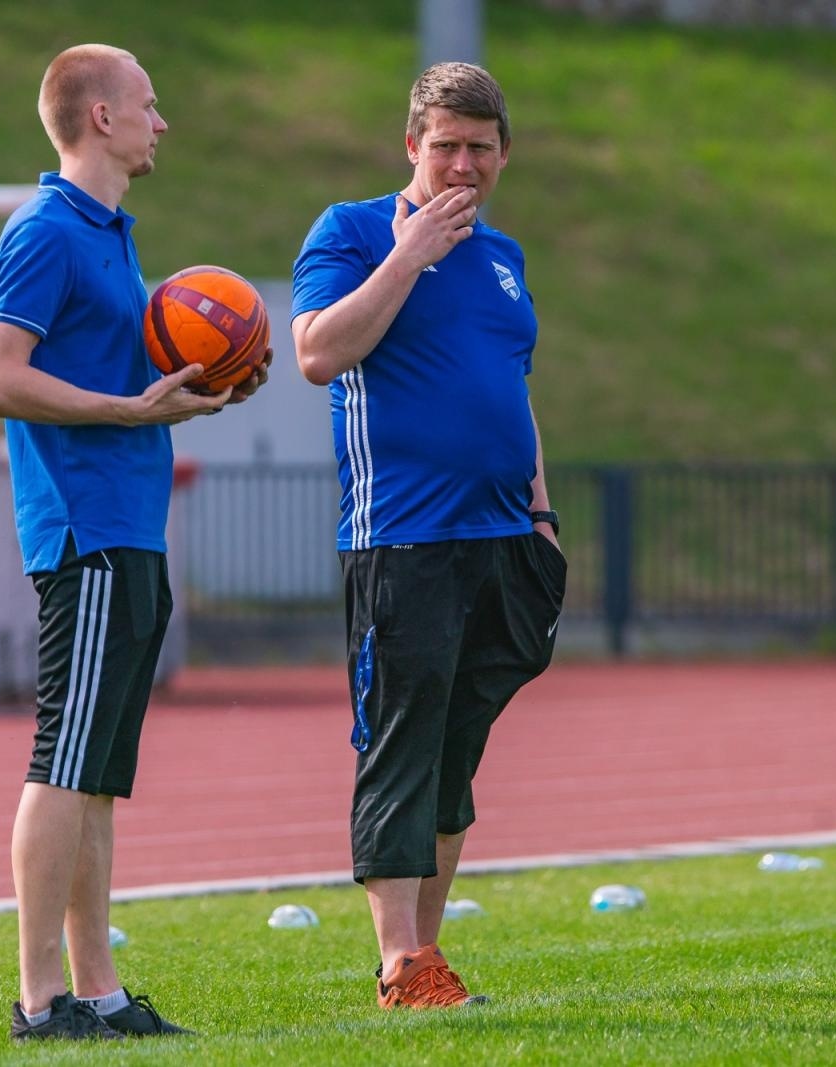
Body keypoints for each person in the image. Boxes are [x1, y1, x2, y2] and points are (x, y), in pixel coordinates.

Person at [0, 43, 268, 1042]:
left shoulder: (111, 236)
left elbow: (134, 382)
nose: (161, 120)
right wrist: (127, 412)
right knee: (64, 758)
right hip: (84, 528)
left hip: (131, 525)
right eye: (148, 102)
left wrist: (207, 383)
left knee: (96, 768)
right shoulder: (45, 230)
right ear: (100, 117)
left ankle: (96, 994)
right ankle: (38, 1000)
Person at [290, 61, 566, 1010]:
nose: (460, 165)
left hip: (503, 536)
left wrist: (543, 514)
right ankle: (399, 964)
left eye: (478, 149)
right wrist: (408, 256)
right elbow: (319, 352)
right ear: (411, 145)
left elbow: (513, 391)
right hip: (403, 538)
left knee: (457, 754)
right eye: (443, 145)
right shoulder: (352, 229)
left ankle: (430, 957)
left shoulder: (507, 258)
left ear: (502, 155)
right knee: (401, 744)